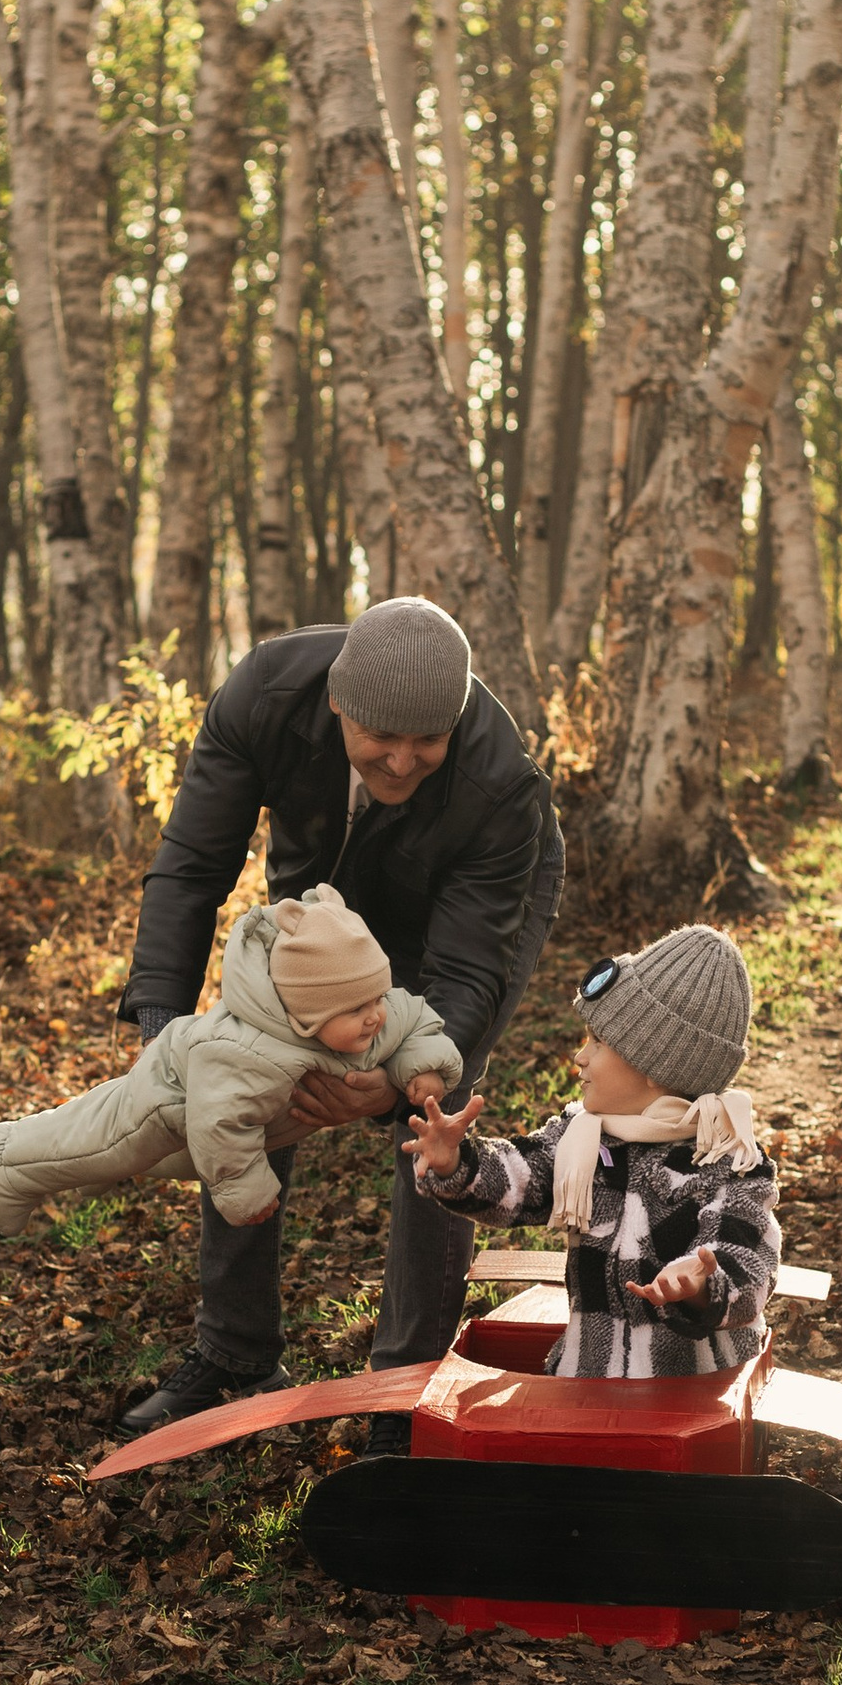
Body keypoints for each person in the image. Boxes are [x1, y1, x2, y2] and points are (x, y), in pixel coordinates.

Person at [115, 596, 564, 1437]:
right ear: (336, 704)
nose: (400, 762)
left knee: (435, 1114)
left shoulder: (499, 784)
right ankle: (236, 1351)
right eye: (378, 740)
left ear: (456, 723)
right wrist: (161, 1030)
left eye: (425, 744)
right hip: (321, 886)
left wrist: (388, 1088)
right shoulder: (265, 697)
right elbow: (190, 868)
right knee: (241, 1072)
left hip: (463, 903)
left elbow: (465, 974)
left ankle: (406, 1385)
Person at [404, 923, 780, 1377]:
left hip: (695, 1386)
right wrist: (457, 1162)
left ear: (654, 1067)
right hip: (590, 1371)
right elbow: (521, 1176)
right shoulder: (582, 1136)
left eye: (598, 1043)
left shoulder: (727, 1158)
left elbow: (746, 1258)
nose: (580, 1057)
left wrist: (701, 1283)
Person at [0, 888, 459, 1238]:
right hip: (174, 1098)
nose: (375, 1014)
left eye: (376, 995)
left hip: (222, 1118)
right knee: (104, 1143)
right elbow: (220, 1124)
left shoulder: (374, 1012)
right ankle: (8, 1163)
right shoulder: (251, 1054)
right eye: (355, 1009)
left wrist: (422, 1069)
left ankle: (91, 1168)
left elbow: (414, 1017)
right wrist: (247, 1191)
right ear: (307, 1016)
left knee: (120, 1151)